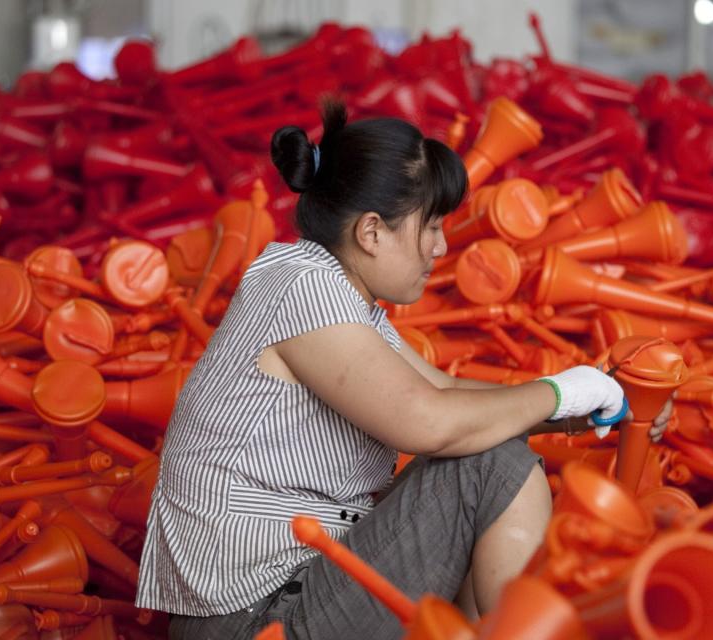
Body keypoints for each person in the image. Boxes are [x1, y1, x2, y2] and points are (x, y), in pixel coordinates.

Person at [136, 99, 671, 640]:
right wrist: (561, 392)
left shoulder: (342, 295)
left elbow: (448, 391)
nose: (441, 248)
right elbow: (427, 421)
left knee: (484, 450)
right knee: (489, 466)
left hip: (292, 588)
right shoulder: (301, 285)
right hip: (253, 619)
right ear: (371, 232)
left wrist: (589, 407)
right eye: (431, 227)